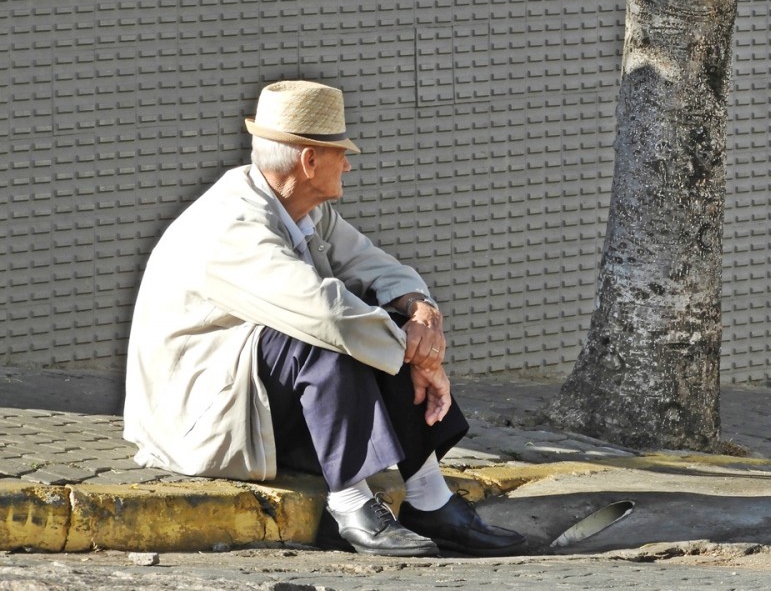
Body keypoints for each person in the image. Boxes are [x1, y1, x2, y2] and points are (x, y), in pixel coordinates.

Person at [123, 80, 526, 557]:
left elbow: (379, 268)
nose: (350, 165)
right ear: (309, 160)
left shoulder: (304, 211)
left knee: (382, 324)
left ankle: (428, 499)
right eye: (341, 153)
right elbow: (325, 314)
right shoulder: (231, 226)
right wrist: (421, 359)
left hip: (260, 407)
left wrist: (421, 312)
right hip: (201, 422)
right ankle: (351, 503)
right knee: (324, 336)